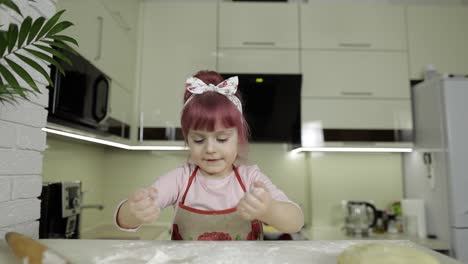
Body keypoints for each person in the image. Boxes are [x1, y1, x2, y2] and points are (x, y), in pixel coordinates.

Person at [115, 70, 304, 240]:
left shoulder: (250, 178)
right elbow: (124, 220)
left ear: (238, 138)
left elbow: (296, 221)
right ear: (187, 139)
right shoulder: (180, 179)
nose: (210, 149)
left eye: (221, 139)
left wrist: (269, 210)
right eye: (198, 140)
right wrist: (134, 211)